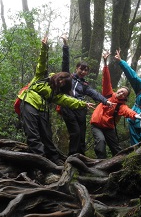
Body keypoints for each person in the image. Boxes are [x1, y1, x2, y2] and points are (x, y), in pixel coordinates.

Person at [17, 37, 91, 165]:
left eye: (64, 83)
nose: (61, 82)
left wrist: (84, 104)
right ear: (58, 76)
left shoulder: (56, 94)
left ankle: (54, 159)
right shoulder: (42, 77)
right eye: (61, 79)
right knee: (33, 133)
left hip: (42, 109)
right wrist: (44, 48)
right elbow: (42, 63)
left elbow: (69, 101)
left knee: (47, 134)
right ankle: (40, 161)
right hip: (29, 101)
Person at [60, 35, 111, 155]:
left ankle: (81, 157)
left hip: (81, 108)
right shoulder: (68, 77)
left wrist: (105, 101)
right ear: (77, 68)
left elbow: (94, 93)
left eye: (85, 70)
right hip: (68, 106)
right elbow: (65, 63)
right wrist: (66, 45)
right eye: (81, 69)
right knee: (75, 132)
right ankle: (72, 157)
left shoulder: (84, 84)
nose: (83, 72)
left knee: (81, 133)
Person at [90, 51, 141, 159]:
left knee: (115, 148)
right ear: (117, 90)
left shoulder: (121, 106)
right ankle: (101, 164)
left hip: (109, 128)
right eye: (121, 90)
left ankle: (120, 164)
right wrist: (105, 64)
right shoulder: (108, 94)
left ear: (125, 97)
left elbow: (127, 111)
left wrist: (135, 115)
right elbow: (106, 81)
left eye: (124, 93)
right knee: (100, 142)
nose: (121, 93)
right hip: (97, 125)